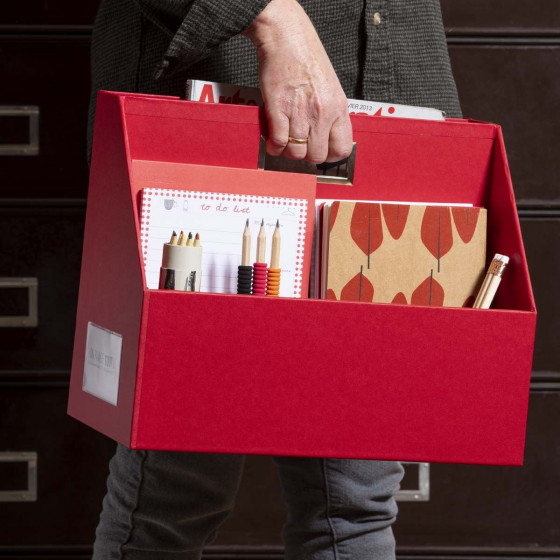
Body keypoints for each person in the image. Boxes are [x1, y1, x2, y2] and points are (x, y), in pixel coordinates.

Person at [89, 1, 461, 558]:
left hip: (397, 117)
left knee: (357, 501)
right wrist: (272, 18)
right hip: (218, 102)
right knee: (173, 492)